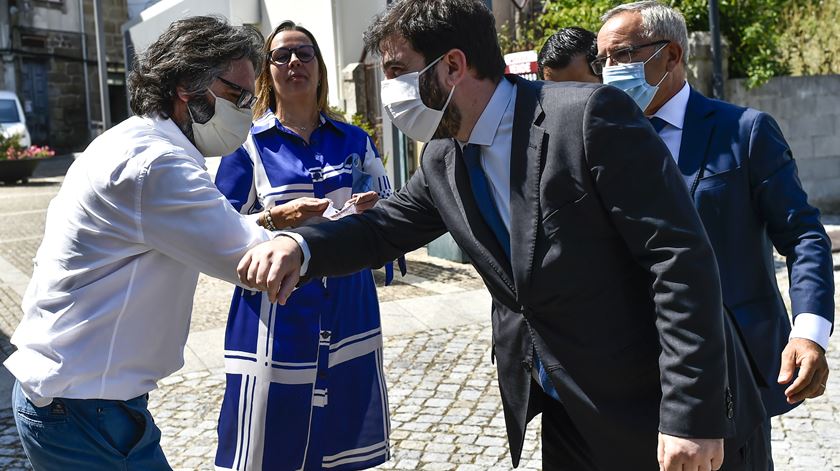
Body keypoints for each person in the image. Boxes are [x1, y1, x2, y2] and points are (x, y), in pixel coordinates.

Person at [237, 1, 767, 470]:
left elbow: (678, 260)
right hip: (567, 414)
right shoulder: (444, 158)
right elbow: (386, 226)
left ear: (452, 66)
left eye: (397, 70)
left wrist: (689, 417)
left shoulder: (587, 117)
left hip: (660, 414)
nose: (389, 89)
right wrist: (300, 245)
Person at [3, 16, 280, 470]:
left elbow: (192, 227)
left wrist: (269, 217)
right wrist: (344, 233)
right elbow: (249, 257)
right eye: (238, 96)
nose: (248, 110)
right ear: (187, 89)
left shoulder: (133, 141)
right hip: (83, 406)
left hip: (82, 397)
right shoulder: (157, 164)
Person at [596, 2, 835, 468]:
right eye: (602, 58)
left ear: (672, 56)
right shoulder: (600, 139)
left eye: (622, 55)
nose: (609, 71)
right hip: (632, 373)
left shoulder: (743, 132)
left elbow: (804, 234)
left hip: (731, 369)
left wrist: (810, 333)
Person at [213, 21, 393, 471]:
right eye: (282, 56)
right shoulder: (245, 145)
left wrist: (375, 208)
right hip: (277, 310)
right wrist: (277, 218)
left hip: (349, 304)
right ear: (266, 73)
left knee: (343, 436)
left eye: (305, 53)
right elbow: (218, 229)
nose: (295, 62)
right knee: (272, 439)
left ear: (320, 66)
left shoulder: (354, 139)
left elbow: (393, 210)